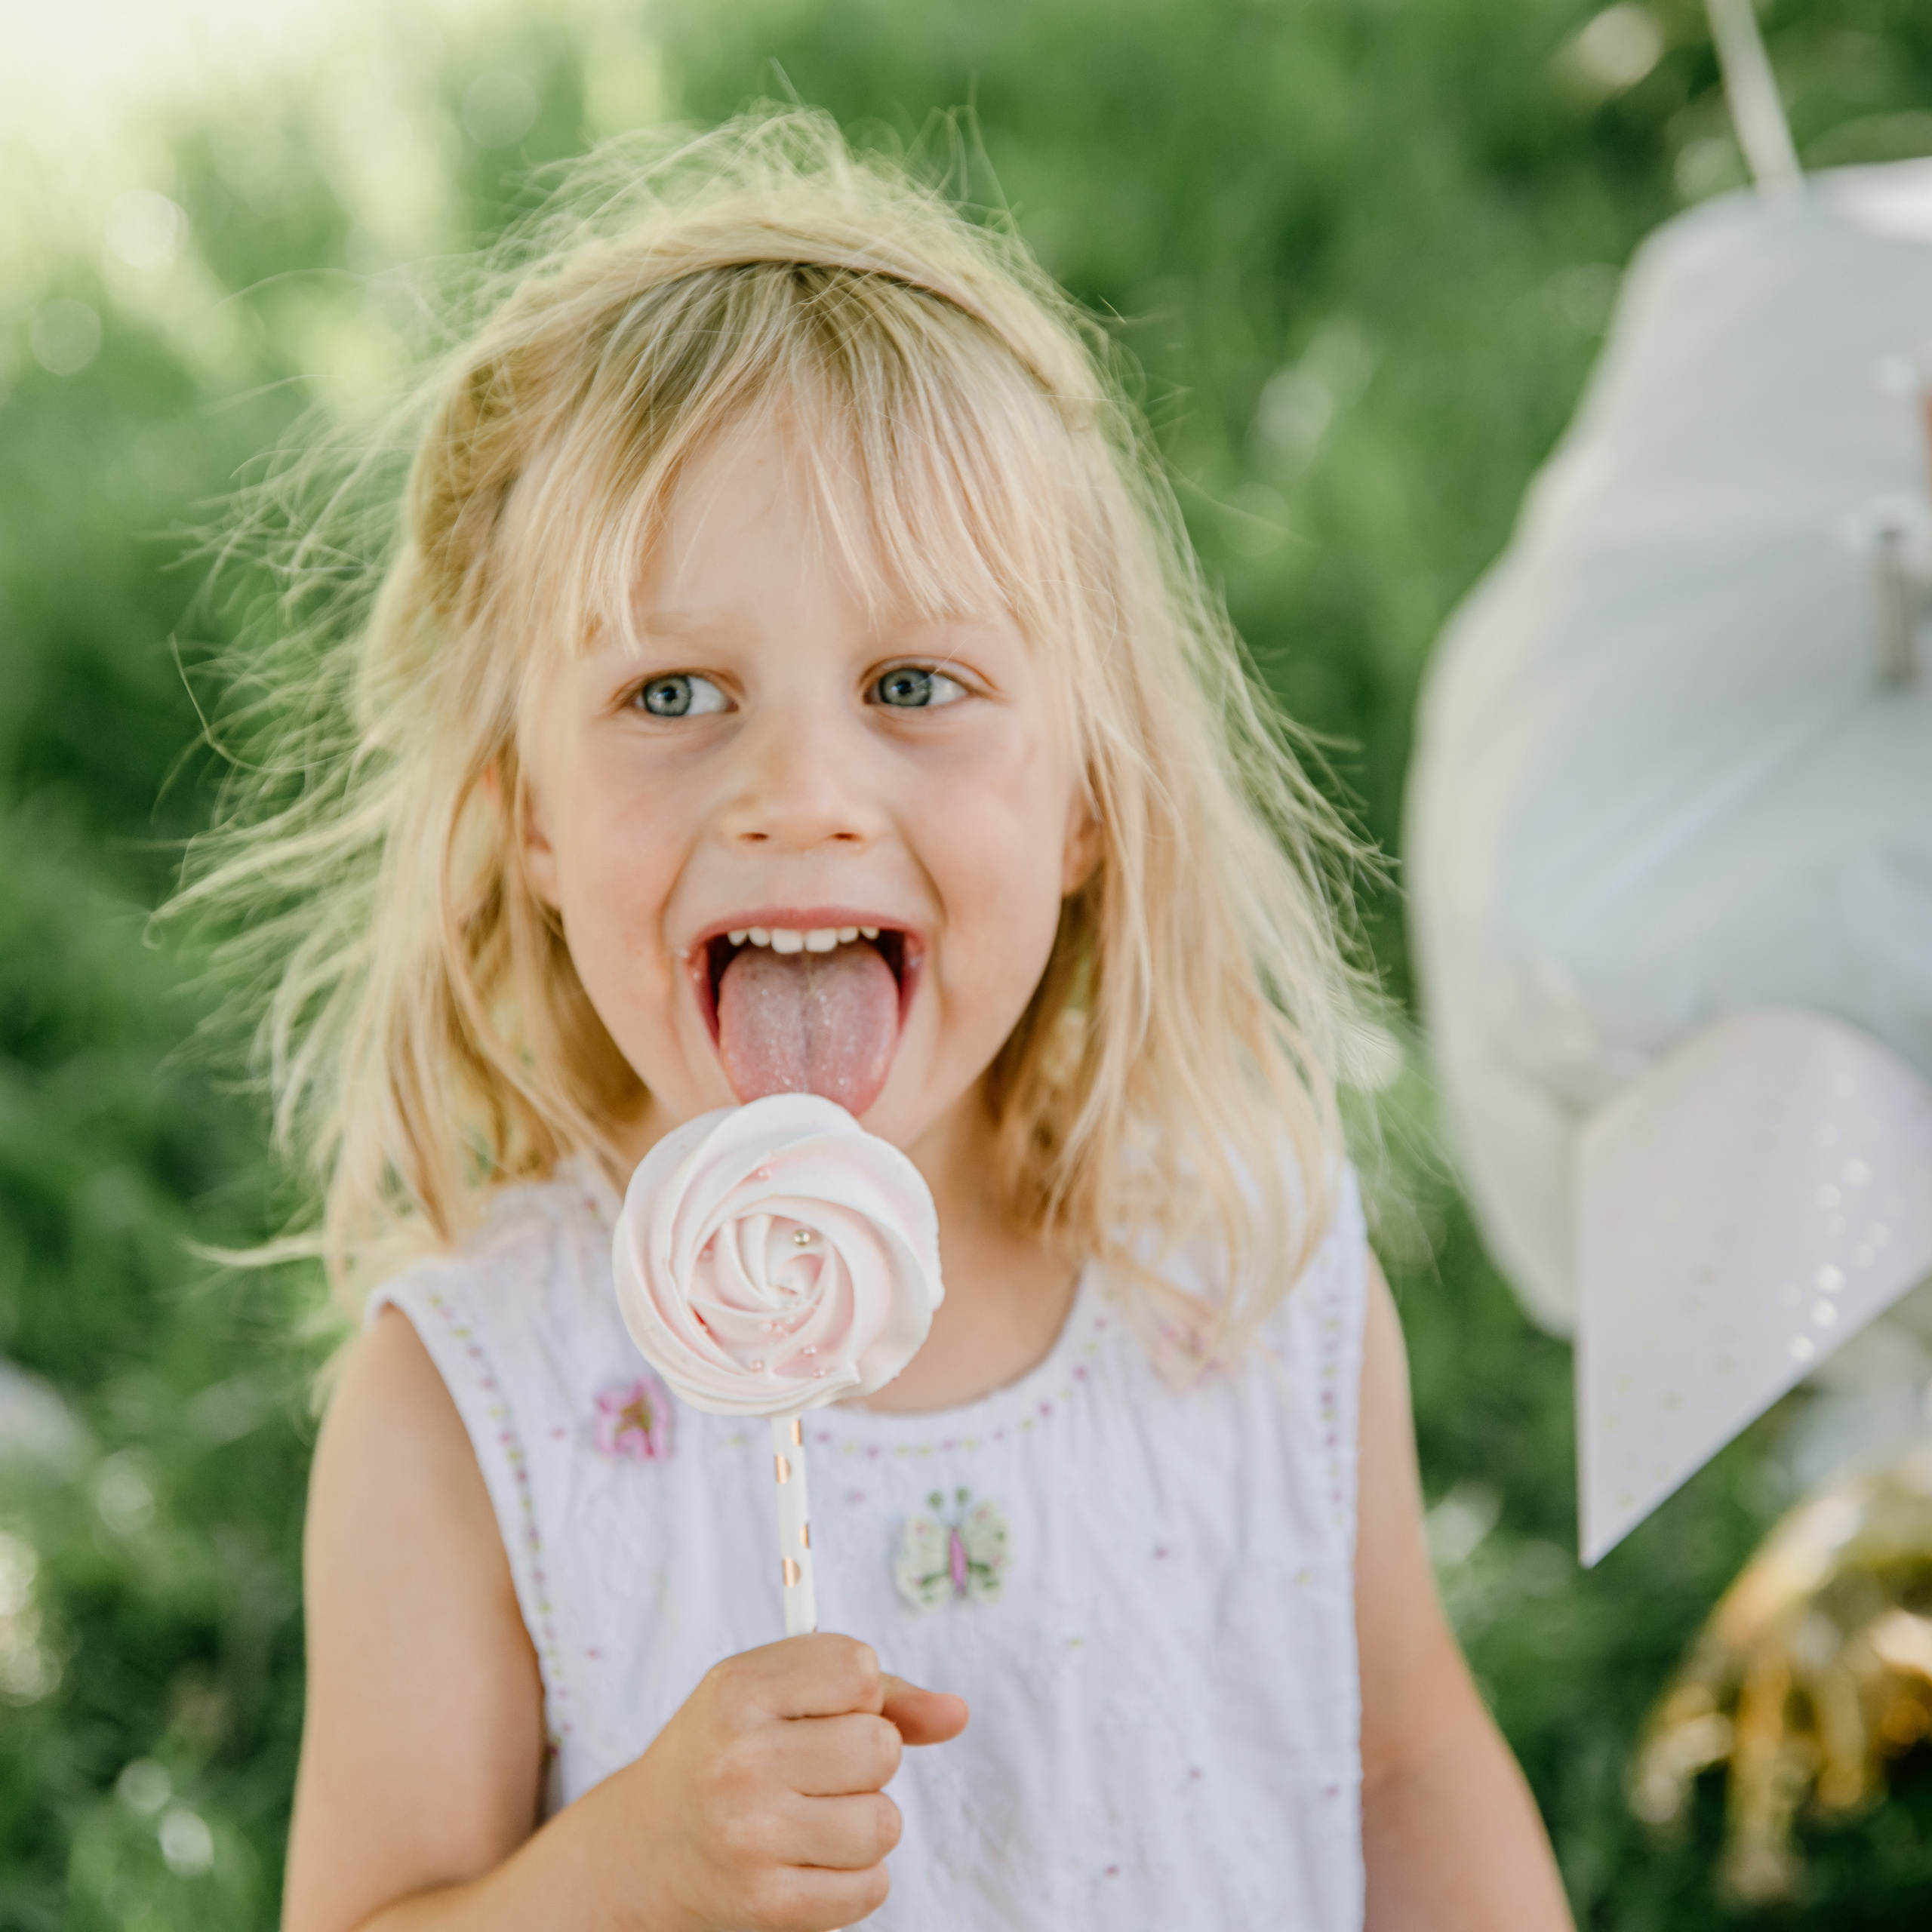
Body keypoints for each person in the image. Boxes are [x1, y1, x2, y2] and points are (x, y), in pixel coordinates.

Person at [211, 110, 1571, 1931]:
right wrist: (632, 1868)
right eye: (671, 689)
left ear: (1090, 795)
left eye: (914, 683)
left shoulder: (1248, 1268)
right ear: (524, 814)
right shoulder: (477, 1405)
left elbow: (1402, 1762)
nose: (800, 792)